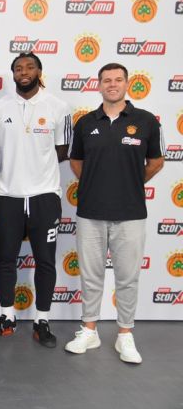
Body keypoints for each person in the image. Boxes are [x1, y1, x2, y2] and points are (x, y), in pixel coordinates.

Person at [64, 63, 164, 363]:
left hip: (130, 212)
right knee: (91, 275)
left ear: (127, 84)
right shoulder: (85, 123)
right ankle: (89, 330)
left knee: (128, 277)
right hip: (90, 212)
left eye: (118, 79)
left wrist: (131, 182)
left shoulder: (146, 121)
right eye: (106, 80)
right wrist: (95, 182)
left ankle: (125, 335)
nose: (112, 84)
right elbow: (76, 161)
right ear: (98, 85)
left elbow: (156, 162)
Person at [0, 52, 72, 348]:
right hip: (7, 195)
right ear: (13, 74)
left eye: (30, 67)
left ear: (39, 72)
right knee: (6, 260)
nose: (24, 72)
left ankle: (41, 320)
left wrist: (36, 167)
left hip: (44, 197)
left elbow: (62, 151)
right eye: (18, 68)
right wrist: (17, 167)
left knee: (45, 261)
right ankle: (7, 317)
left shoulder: (58, 107)